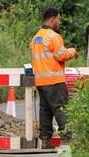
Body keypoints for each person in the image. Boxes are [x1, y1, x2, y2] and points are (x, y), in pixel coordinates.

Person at [30, 8, 78, 149]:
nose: (59, 21)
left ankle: (46, 141)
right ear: (52, 19)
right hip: (54, 81)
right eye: (58, 19)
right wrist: (73, 51)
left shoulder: (36, 37)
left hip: (41, 81)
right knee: (61, 109)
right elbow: (62, 55)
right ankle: (68, 140)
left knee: (45, 111)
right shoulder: (53, 37)